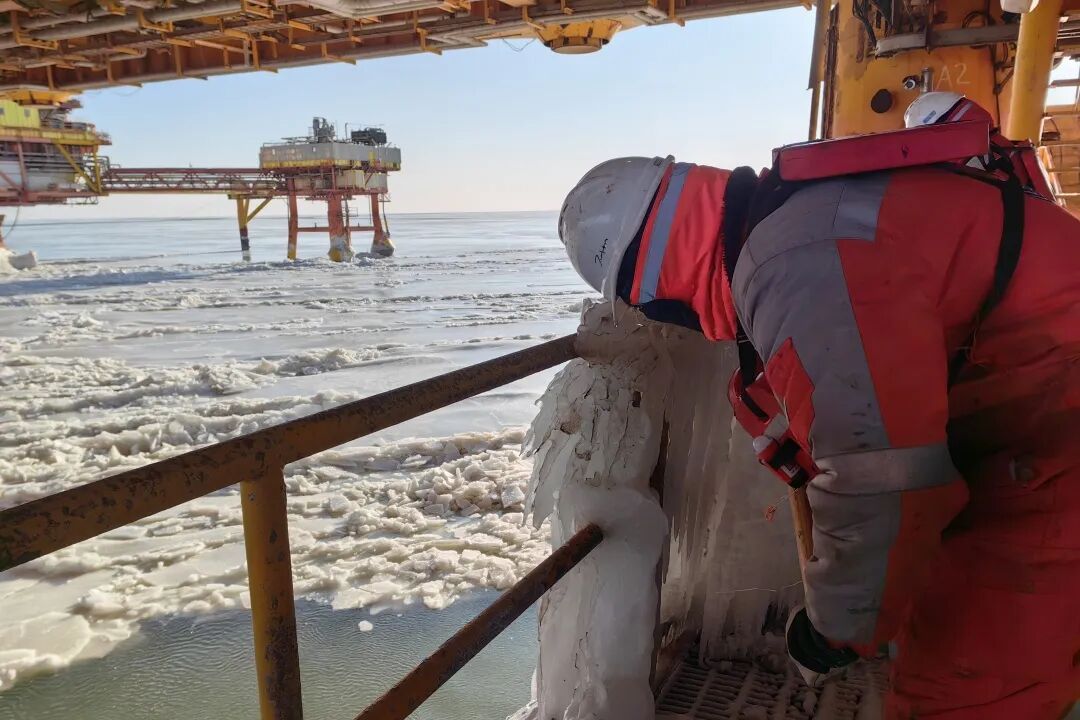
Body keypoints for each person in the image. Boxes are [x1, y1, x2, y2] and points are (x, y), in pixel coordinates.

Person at [557, 126, 1080, 717]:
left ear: (654, 284)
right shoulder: (800, 223)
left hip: (1052, 445)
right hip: (1032, 415)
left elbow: (881, 479)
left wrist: (834, 629)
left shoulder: (797, 264)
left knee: (962, 692)